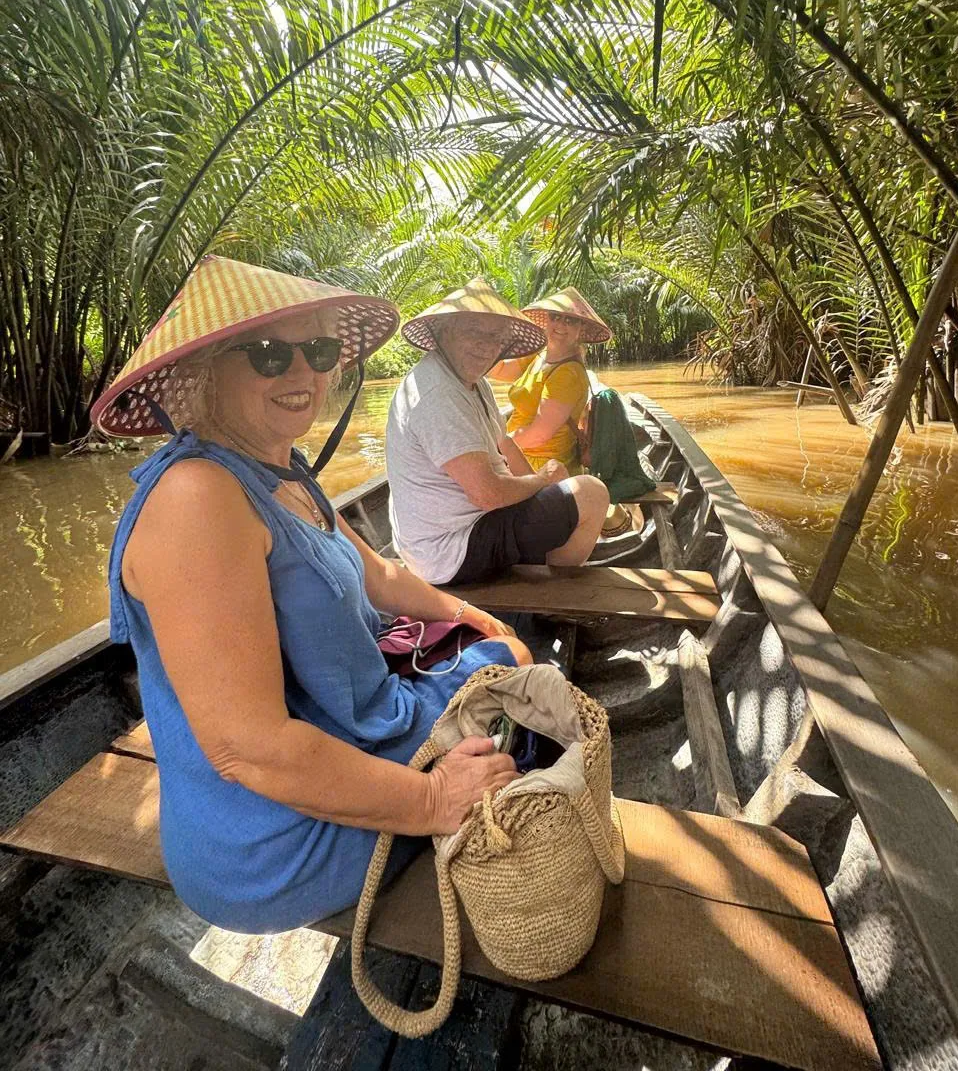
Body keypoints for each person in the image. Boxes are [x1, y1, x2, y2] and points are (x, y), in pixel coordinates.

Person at [91, 255, 532, 935]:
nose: (304, 374)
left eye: (320, 350)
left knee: (507, 655)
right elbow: (248, 749)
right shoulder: (196, 499)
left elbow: (378, 576)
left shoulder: (281, 466)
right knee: (528, 722)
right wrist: (433, 800)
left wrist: (471, 615)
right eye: (270, 354)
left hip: (346, 736)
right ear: (208, 367)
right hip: (276, 843)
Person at [385, 278, 609, 586]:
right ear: (444, 331)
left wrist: (541, 487)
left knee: (571, 491)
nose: (486, 345)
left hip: (459, 530)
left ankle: (543, 570)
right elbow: (487, 494)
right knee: (592, 493)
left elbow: (503, 443)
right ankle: (553, 592)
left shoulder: (474, 382)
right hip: (452, 550)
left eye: (495, 337)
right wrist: (542, 479)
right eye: (473, 330)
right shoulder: (437, 393)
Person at [493, 288, 612, 476]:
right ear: (547, 320)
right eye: (555, 317)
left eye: (570, 320)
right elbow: (499, 370)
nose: (560, 324)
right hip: (515, 452)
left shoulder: (568, 374)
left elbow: (538, 435)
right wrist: (483, 344)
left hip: (542, 466)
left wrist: (495, 444)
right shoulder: (539, 355)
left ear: (580, 329)